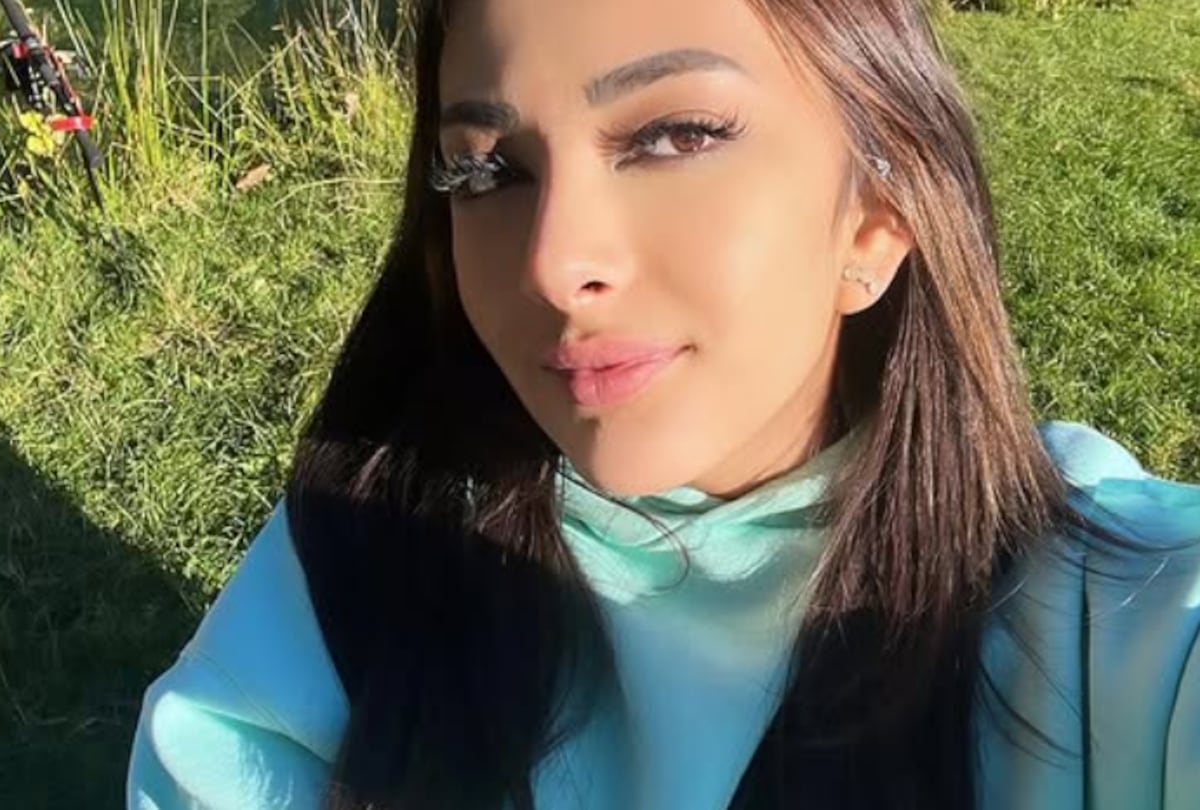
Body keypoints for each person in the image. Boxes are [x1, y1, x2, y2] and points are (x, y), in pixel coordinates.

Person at [126, 0, 1200, 807]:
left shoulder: (1121, 619)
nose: (554, 267)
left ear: (878, 217)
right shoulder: (360, 562)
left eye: (676, 135)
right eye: (485, 170)